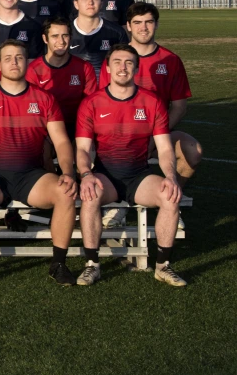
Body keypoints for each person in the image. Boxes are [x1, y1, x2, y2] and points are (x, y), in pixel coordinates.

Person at [0, 41, 79, 286]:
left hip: (32, 176)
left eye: (19, 58)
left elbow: (61, 141)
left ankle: (58, 264)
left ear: (27, 62)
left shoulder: (44, 99)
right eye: (8, 58)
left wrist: (68, 172)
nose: (14, 62)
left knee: (65, 193)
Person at [76, 44, 185, 287]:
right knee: (90, 196)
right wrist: (85, 174)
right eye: (117, 62)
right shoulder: (92, 103)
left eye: (128, 63)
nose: (122, 67)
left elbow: (165, 148)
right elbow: (82, 149)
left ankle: (162, 266)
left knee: (170, 196)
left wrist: (170, 176)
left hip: (139, 175)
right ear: (107, 67)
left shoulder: (152, 102)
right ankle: (92, 265)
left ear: (136, 68)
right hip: (106, 176)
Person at [117, 2, 201, 183]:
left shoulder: (171, 60)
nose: (143, 28)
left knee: (193, 150)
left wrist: (156, 136)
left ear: (156, 24)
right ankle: (117, 200)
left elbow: (179, 107)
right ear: (129, 26)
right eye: (138, 22)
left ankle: (172, 197)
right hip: (120, 134)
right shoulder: (116, 59)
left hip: (158, 132)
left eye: (149, 22)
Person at [27, 18, 97, 133]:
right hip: (44, 129)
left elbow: (90, 106)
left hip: (77, 128)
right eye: (55, 36)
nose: (61, 41)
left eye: (65, 36)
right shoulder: (33, 69)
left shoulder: (84, 68)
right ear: (45, 39)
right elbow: (32, 109)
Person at [70, 0, 127, 76]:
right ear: (76, 4)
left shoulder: (117, 32)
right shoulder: (65, 31)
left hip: (104, 87)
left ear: (101, 3)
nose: (90, 2)